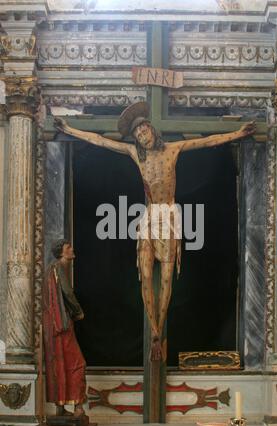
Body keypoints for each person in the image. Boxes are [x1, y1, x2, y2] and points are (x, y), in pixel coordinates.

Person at [54, 102, 255, 361]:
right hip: (150, 217)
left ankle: (160, 327)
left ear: (152, 130)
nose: (142, 136)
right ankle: (155, 332)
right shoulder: (137, 155)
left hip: (169, 216)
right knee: (146, 275)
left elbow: (209, 141)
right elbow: (100, 141)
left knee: (168, 277)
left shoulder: (172, 150)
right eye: (138, 135)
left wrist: (238, 133)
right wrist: (70, 128)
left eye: (144, 131)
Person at [43, 239, 86, 417]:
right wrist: (78, 311)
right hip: (61, 325)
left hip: (52, 326)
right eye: (69, 248)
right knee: (77, 363)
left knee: (59, 364)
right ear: (62, 252)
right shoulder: (58, 268)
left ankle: (60, 407)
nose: (72, 250)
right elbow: (67, 293)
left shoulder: (52, 269)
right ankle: (78, 406)